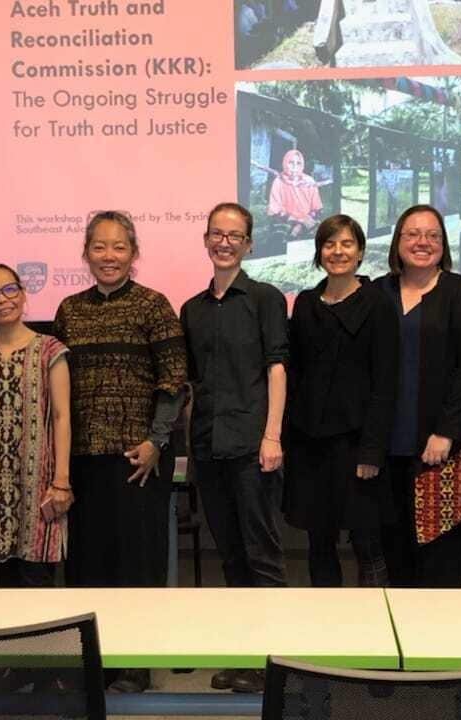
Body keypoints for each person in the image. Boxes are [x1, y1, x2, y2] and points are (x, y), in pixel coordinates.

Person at [53, 210, 188, 694]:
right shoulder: (69, 309)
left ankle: (133, 665)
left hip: (139, 459)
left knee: (138, 563)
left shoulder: (154, 305)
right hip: (84, 458)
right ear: (85, 252)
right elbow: (58, 388)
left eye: (119, 247)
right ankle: (95, 663)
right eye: (99, 247)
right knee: (90, 563)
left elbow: (174, 381)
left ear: (133, 254)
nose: (108, 256)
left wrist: (156, 440)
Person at [180, 202, 289, 694]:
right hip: (208, 447)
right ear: (206, 240)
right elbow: (192, 384)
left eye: (235, 235)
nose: (224, 242)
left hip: (252, 446)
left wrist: (272, 436)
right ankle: (245, 658)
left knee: (262, 556)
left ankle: (274, 664)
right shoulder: (191, 310)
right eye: (216, 234)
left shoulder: (265, 299)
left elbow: (276, 368)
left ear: (249, 244)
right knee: (230, 557)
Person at [375, 205, 461, 588]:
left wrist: (446, 431)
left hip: (442, 446)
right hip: (388, 448)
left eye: (433, 235)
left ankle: (444, 640)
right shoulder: (379, 291)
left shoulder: (458, 291)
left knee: (442, 555)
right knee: (395, 549)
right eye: (413, 234)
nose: (422, 242)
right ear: (397, 241)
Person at [283, 214, 399, 588]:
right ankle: (325, 628)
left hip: (356, 445)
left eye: (347, 243)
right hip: (309, 443)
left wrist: (372, 451)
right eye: (329, 244)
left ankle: (375, 630)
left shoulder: (378, 303)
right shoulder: (304, 303)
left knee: (367, 541)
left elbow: (386, 381)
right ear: (319, 252)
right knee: (319, 542)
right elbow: (295, 373)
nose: (338, 251)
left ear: (361, 252)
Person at [0, 263, 72, 587]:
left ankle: (44, 640)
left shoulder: (51, 350)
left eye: (9, 289)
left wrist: (61, 481)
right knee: (3, 583)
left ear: (22, 293)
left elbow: (61, 417)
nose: (2, 299)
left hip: (40, 484)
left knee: (38, 579)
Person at [267, 149, 323, 238]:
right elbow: (275, 211)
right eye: (291, 162)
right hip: (286, 222)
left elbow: (316, 208)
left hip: (309, 222)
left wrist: (302, 224)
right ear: (285, 163)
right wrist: (299, 220)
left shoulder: (309, 181)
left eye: (298, 163)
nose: (294, 166)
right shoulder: (278, 181)